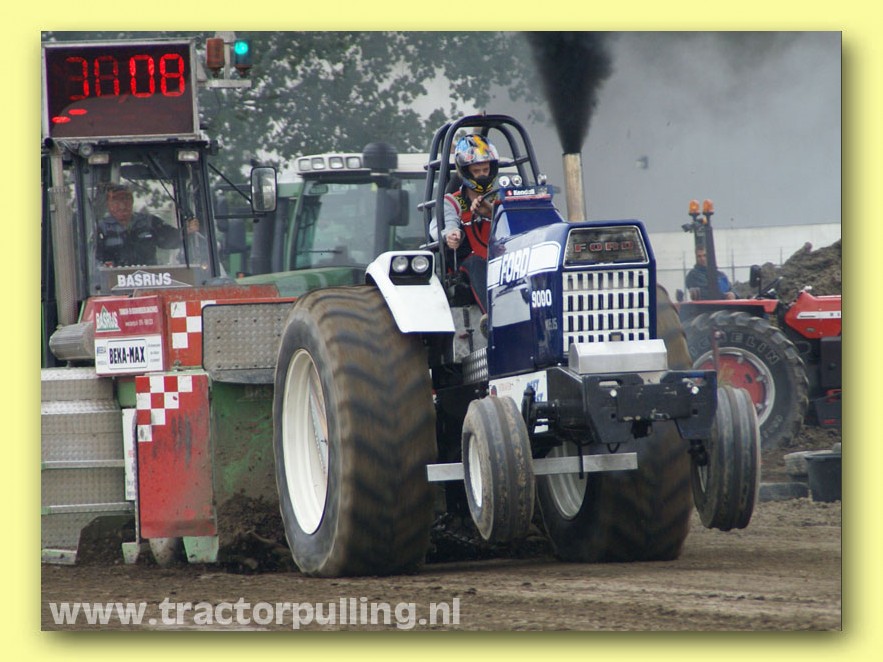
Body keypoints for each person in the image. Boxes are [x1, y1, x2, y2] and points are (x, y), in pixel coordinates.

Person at [430, 134, 500, 312]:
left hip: (502, 260)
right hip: (467, 264)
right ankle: (492, 317)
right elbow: (442, 226)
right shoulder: (453, 201)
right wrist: (451, 234)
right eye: (476, 171)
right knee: (477, 263)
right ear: (466, 172)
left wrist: (491, 212)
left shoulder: (503, 199)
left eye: (485, 169)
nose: (482, 175)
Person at [96, 184, 180, 267]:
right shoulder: (101, 228)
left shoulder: (148, 222)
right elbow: (93, 262)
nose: (122, 206)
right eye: (116, 201)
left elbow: (177, 240)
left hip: (149, 275)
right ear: (108, 204)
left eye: (126, 199)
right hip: (114, 275)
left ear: (132, 201)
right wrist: (102, 265)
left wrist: (186, 230)